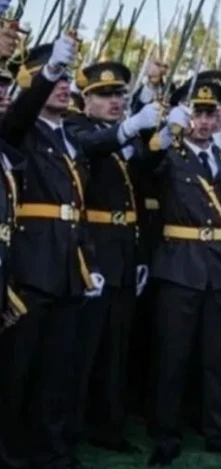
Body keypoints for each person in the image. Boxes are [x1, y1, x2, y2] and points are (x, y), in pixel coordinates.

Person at [0, 36, 154, 469]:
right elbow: (16, 117)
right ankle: (12, 452)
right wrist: (44, 73)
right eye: (56, 78)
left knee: (57, 368)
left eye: (67, 76)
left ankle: (54, 449)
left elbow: (79, 206)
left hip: (69, 265)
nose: (65, 85)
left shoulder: (70, 134)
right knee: (19, 369)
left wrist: (87, 259)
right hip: (32, 264)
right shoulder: (23, 129)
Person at [146, 79, 221, 466]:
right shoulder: (169, 156)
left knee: (217, 356)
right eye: (197, 114)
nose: (205, 122)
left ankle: (218, 431)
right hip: (179, 265)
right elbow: (143, 167)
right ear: (185, 116)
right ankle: (166, 434)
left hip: (218, 268)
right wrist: (161, 130)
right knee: (173, 356)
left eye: (210, 114)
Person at [67, 61, 149, 455]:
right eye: (105, 95)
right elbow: (93, 147)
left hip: (124, 249)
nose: (115, 101)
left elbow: (147, 188)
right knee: (82, 351)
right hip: (93, 248)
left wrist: (158, 133)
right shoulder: (77, 128)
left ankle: (108, 426)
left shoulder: (123, 137)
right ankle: (69, 430)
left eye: (119, 95)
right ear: (86, 100)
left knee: (116, 348)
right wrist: (130, 128)